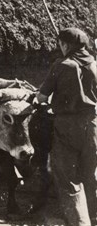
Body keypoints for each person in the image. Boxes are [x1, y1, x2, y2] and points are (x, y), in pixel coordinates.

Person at [36, 28, 97, 226]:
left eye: (60, 43)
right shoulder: (95, 65)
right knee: (90, 173)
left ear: (65, 45)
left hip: (68, 127)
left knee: (67, 178)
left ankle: (80, 223)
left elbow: (42, 97)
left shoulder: (61, 65)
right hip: (94, 125)